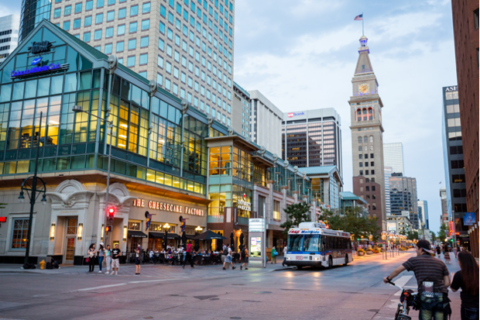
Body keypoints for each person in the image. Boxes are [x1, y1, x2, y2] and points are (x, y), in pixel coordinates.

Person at [383, 240, 451, 320]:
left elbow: (398, 270)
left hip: (426, 295)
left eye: (416, 248)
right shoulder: (440, 263)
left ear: (421, 249)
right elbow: (447, 283)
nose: (415, 250)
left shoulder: (414, 260)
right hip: (441, 296)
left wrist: (388, 278)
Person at [451, 251, 480, 319]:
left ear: (462, 262)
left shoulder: (460, 274)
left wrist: (452, 278)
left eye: (458, 260)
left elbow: (453, 289)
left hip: (468, 306)